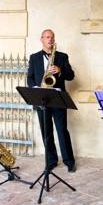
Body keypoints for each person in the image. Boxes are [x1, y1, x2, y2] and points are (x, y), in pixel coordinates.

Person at [27, 29, 76, 172]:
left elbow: (71, 76)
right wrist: (37, 89)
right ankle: (51, 161)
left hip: (58, 99)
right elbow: (29, 78)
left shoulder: (62, 56)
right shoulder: (34, 57)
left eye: (52, 37)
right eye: (47, 37)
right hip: (41, 98)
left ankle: (69, 161)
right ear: (41, 39)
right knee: (46, 132)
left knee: (62, 130)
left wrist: (60, 70)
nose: (50, 39)